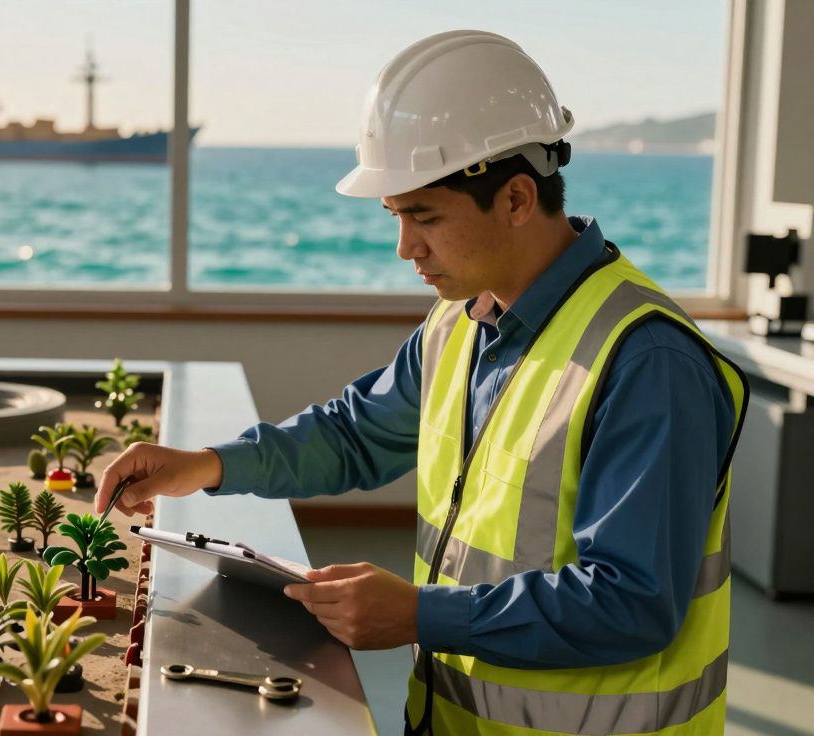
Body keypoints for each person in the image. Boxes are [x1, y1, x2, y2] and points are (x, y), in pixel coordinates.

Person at [95, 29, 748, 736]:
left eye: (424, 217)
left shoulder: (648, 362)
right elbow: (354, 434)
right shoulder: (462, 324)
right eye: (396, 216)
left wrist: (416, 614)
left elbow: (631, 604)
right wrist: (208, 466)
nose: (405, 248)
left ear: (519, 198)